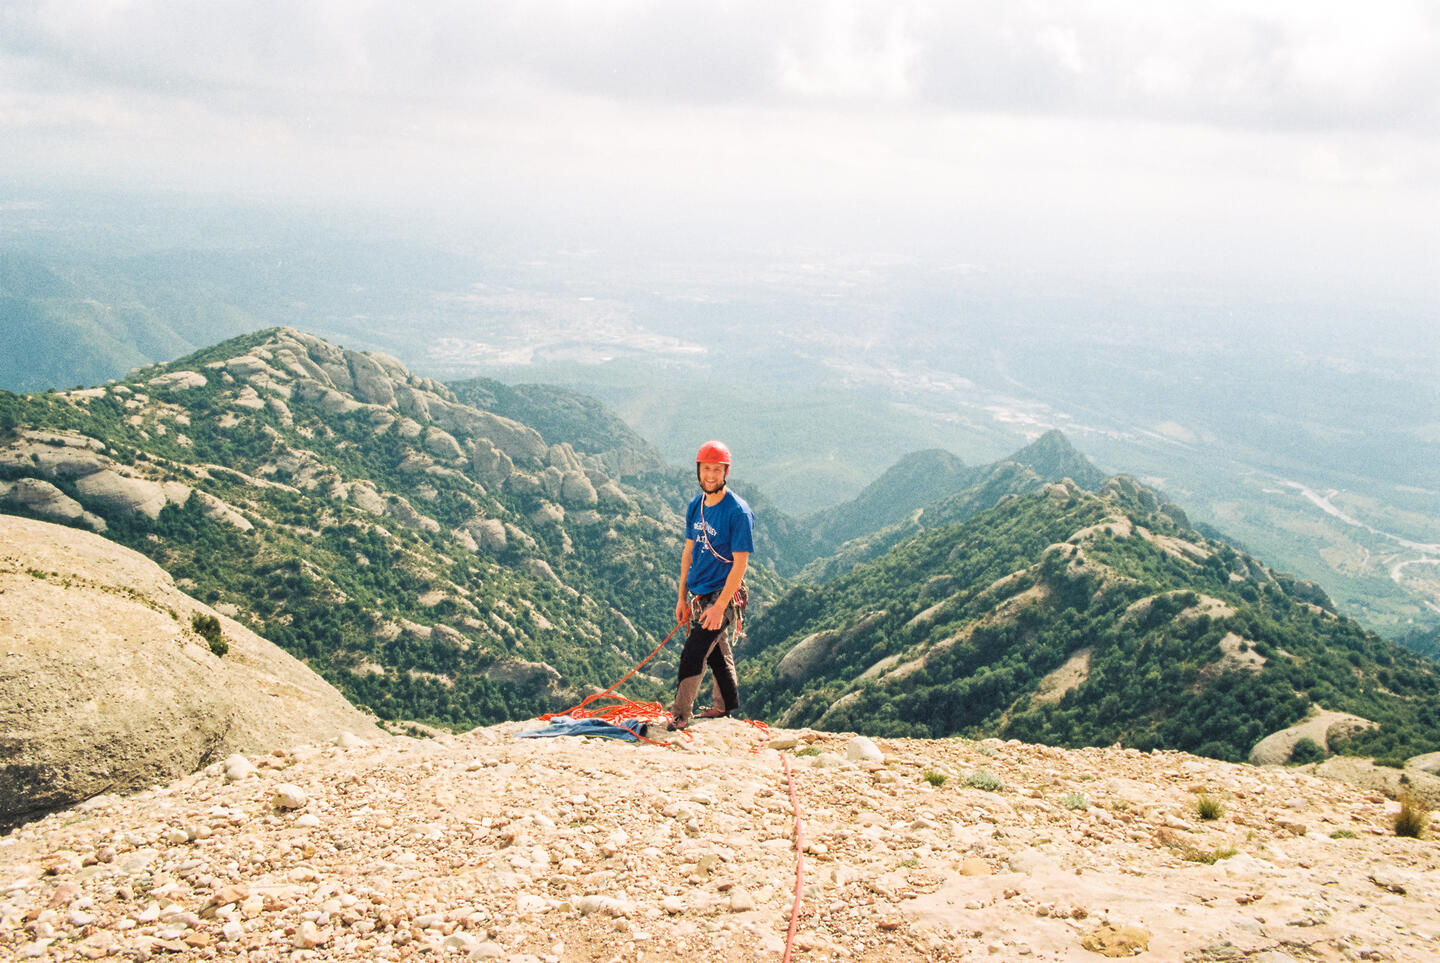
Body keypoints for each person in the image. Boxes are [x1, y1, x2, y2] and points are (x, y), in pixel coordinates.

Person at [668, 439, 755, 730]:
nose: (710, 475)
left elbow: (740, 564)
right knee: (716, 651)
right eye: (706, 469)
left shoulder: (738, 512)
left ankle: (680, 714)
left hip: (725, 595)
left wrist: (719, 607)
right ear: (698, 470)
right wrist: (681, 597)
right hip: (699, 593)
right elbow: (688, 552)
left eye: (717, 470)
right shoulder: (696, 505)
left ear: (726, 472)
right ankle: (724, 705)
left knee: (694, 651)